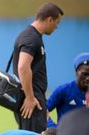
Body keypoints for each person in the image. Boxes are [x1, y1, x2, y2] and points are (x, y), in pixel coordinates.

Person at [12, 2, 64, 133]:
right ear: (50, 19)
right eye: (57, 22)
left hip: (34, 99)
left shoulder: (33, 36)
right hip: (32, 102)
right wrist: (29, 98)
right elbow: (23, 67)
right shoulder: (31, 37)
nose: (56, 27)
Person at [47, 53, 89, 127]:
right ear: (76, 72)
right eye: (85, 74)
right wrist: (53, 128)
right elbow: (44, 111)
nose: (88, 78)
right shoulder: (64, 90)